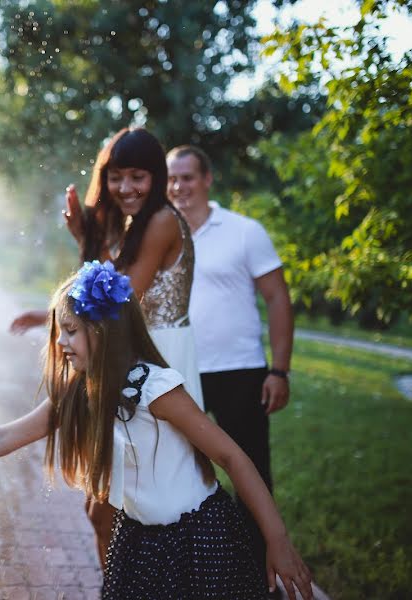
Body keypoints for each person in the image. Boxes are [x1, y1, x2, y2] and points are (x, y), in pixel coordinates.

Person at [0, 262, 313, 600]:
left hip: (199, 541)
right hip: (139, 541)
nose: (61, 343)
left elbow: (232, 457)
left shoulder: (154, 388)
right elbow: (5, 436)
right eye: (59, 333)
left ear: (102, 332)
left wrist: (277, 541)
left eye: (70, 331)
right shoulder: (80, 391)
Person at [10, 128, 202, 566]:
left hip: (159, 363)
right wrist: (86, 241)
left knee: (133, 507)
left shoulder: (161, 222)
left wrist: (86, 244)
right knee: (109, 506)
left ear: (156, 176)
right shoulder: (133, 224)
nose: (126, 188)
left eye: (138, 176)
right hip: (130, 359)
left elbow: (114, 301)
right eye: (116, 177)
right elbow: (104, 300)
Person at [166, 144, 294, 575]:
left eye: (187, 177)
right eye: (172, 178)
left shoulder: (244, 231)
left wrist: (280, 369)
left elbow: (278, 298)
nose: (179, 186)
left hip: (241, 371)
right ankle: (194, 571)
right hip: (180, 373)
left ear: (207, 179)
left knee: (251, 473)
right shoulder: (163, 233)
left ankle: (261, 574)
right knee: (179, 471)